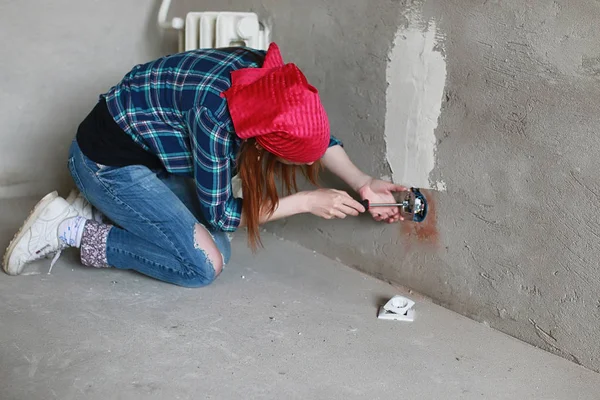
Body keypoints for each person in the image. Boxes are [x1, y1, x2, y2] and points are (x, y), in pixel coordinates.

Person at [2, 43, 406, 287]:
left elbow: (309, 134)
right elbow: (224, 213)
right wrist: (304, 201)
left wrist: (364, 181)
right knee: (200, 266)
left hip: (149, 157)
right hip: (105, 163)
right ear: (263, 145)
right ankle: (71, 229)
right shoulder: (217, 119)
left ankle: (101, 207)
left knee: (221, 250)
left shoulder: (270, 81)